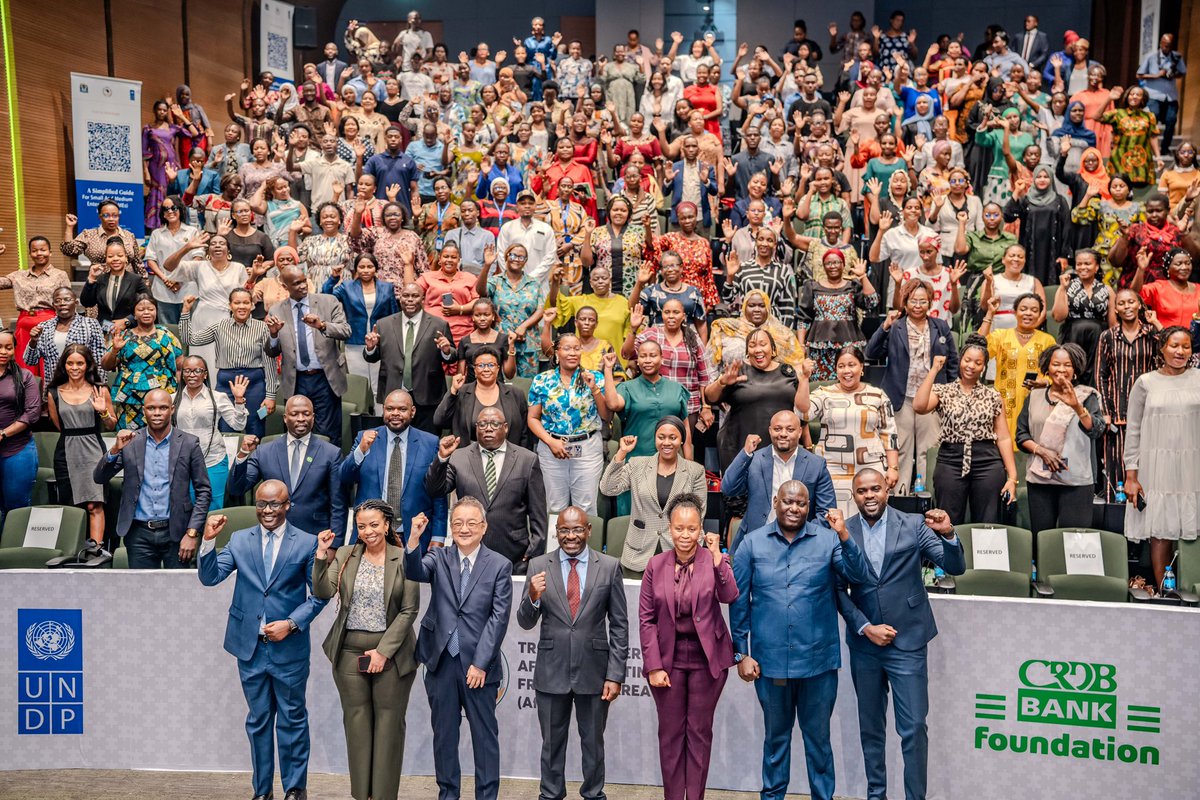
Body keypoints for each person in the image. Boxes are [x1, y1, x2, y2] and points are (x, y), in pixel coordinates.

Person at [730, 482, 870, 800]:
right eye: (788, 502)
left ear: (809, 507)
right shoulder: (751, 544)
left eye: (801, 504)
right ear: (776, 501)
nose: (794, 508)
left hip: (818, 665)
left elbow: (858, 576)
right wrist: (741, 654)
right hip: (771, 665)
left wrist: (844, 535)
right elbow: (739, 603)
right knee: (775, 742)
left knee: (819, 743)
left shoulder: (828, 540)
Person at [834, 470, 965, 800]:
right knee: (871, 730)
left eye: (875, 488)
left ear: (887, 490)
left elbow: (955, 567)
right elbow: (836, 590)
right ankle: (875, 795)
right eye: (862, 491)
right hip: (865, 645)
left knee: (914, 728)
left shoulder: (914, 525)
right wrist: (865, 627)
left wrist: (949, 534)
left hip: (908, 641)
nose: (869, 495)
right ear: (854, 495)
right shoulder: (842, 530)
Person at [197, 481, 328, 800]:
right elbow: (210, 577)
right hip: (250, 648)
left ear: (287, 505)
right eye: (261, 504)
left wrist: (291, 624)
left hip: (289, 648)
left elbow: (320, 595)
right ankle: (262, 792)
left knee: (292, 719)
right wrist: (208, 541)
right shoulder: (239, 540)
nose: (267, 511)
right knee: (258, 722)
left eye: (274, 504)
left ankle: (295, 789)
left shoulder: (306, 542)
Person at [404, 496, 513, 800]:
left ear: (484, 527)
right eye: (458, 523)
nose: (464, 529)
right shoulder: (439, 557)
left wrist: (480, 663)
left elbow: (498, 619)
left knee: (485, 738)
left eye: (471, 523)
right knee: (444, 738)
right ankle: (448, 794)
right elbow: (414, 572)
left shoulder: (500, 565)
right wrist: (414, 538)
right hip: (441, 662)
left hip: (479, 667)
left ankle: (486, 796)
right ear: (451, 527)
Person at [517, 505, 628, 800]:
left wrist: (615, 675)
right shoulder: (538, 565)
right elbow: (525, 622)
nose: (571, 536)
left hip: (595, 672)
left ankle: (593, 794)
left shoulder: (609, 566)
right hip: (551, 672)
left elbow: (619, 626)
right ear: (556, 533)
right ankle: (550, 794)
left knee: (593, 745)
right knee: (551, 745)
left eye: (577, 529)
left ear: (588, 530)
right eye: (564, 530)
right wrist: (532, 597)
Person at [312, 500, 420, 800]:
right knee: (356, 725)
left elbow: (409, 610)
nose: (368, 531)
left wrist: (383, 652)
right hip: (348, 651)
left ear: (386, 525)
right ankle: (362, 795)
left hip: (393, 653)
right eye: (361, 526)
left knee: (389, 726)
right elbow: (323, 590)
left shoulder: (404, 557)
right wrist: (321, 554)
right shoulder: (346, 554)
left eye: (374, 524)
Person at [639, 493, 737, 800]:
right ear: (669, 528)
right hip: (667, 661)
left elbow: (729, 595)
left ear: (700, 528)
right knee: (670, 736)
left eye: (692, 529)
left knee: (699, 733)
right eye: (679, 528)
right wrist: (654, 666)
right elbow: (646, 619)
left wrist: (718, 559)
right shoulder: (655, 565)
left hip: (707, 660)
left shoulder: (713, 560)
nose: (685, 535)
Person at [94, 389, 211, 568]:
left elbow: (203, 491)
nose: (157, 413)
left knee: (179, 585)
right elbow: (99, 477)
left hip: (177, 531)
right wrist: (115, 450)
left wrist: (192, 533)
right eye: (151, 408)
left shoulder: (189, 443)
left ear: (172, 410)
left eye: (163, 408)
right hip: (138, 533)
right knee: (141, 586)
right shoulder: (130, 441)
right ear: (144, 411)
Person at [1122, 326, 1200, 589]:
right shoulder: (1146, 382)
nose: (1180, 351)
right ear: (1162, 348)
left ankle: (1192, 591)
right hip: (1157, 466)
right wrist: (1131, 475)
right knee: (1161, 531)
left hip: (1193, 465)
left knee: (1193, 527)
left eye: (1186, 346)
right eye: (1174, 346)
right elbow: (1133, 430)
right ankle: (1165, 595)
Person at [425, 407, 547, 573]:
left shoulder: (527, 459)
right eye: (482, 424)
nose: (488, 428)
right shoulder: (459, 457)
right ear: (476, 428)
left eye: (494, 424)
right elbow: (435, 490)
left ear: (505, 427)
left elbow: (538, 512)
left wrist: (534, 551)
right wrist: (442, 458)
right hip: (468, 550)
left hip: (515, 553)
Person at [913, 337, 1019, 526]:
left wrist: (1012, 477)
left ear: (984, 367)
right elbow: (919, 406)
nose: (971, 366)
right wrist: (934, 370)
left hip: (987, 460)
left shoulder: (993, 395)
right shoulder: (944, 391)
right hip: (950, 459)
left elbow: (1003, 437)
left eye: (978, 362)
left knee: (988, 521)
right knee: (947, 520)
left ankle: (985, 548)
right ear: (960, 360)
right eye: (967, 360)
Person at [797, 346, 901, 514]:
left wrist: (893, 467)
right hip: (832, 469)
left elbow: (889, 433)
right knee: (835, 517)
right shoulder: (824, 393)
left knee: (871, 516)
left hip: (871, 469)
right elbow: (802, 413)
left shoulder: (878, 395)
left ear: (861, 367)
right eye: (841, 366)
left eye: (852, 365)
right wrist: (804, 379)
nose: (847, 370)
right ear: (836, 370)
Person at [230, 396, 347, 544]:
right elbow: (236, 489)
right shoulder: (264, 451)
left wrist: (334, 546)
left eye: (306, 414)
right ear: (285, 418)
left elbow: (338, 505)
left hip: (315, 537)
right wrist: (243, 454)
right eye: (294, 414)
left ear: (313, 417)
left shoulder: (331, 453)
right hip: (273, 536)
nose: (301, 419)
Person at [342, 390, 447, 552]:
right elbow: (344, 477)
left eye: (402, 409)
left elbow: (438, 492)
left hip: (414, 535)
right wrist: (360, 451)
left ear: (412, 411)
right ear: (383, 410)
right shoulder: (365, 438)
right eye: (390, 409)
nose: (395, 413)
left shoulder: (430, 443)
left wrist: (438, 536)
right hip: (371, 535)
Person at [1015, 344, 1104, 533]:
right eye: (1056, 364)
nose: (1061, 369)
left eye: (1067, 365)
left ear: (1076, 369)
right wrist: (1041, 451)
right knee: (1042, 538)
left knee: (1074, 540)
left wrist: (1077, 407)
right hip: (1040, 480)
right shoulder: (1034, 396)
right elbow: (1021, 434)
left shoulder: (1087, 396)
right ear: (1047, 367)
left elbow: (1097, 430)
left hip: (1076, 481)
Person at [600, 417, 707, 574]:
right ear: (655, 439)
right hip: (638, 553)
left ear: (682, 441)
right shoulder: (637, 465)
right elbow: (608, 488)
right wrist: (622, 452)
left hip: (679, 552)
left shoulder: (695, 471)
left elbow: (698, 515)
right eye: (661, 437)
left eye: (673, 438)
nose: (666, 443)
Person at [264, 266, 352, 447]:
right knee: (297, 431)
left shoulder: (328, 301)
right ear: (285, 286)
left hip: (325, 378)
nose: (303, 286)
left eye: (304, 280)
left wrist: (322, 326)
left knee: (328, 433)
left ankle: (330, 464)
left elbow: (346, 331)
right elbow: (272, 352)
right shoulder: (276, 310)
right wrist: (273, 334)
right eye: (297, 283)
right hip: (295, 380)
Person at [527, 333, 611, 515]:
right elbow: (532, 419)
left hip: (587, 448)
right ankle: (554, 536)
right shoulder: (542, 380)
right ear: (557, 353)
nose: (572, 353)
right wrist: (551, 442)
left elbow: (606, 416)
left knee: (586, 508)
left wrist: (594, 388)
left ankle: (587, 536)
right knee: (554, 507)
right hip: (551, 449)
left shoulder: (595, 377)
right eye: (567, 348)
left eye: (576, 348)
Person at [181, 288, 277, 437]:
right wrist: (186, 311)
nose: (241, 306)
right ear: (230, 305)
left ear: (252, 305)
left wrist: (270, 396)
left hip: (255, 385)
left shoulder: (262, 328)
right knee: (225, 428)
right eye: (237, 303)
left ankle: (255, 453)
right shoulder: (219, 326)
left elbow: (270, 363)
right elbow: (189, 339)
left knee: (256, 425)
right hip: (226, 384)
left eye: (246, 302)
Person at [724, 411, 837, 537]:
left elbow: (826, 511)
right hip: (757, 539)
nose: (783, 434)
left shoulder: (816, 465)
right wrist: (745, 453)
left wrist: (806, 538)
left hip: (799, 540)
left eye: (790, 429)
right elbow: (728, 488)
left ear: (800, 432)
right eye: (777, 429)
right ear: (770, 431)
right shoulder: (754, 459)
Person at [704, 329, 801, 472]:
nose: (758, 349)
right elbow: (710, 398)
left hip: (780, 447)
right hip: (738, 447)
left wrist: (807, 443)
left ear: (773, 349)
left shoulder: (787, 373)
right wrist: (721, 382)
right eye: (752, 345)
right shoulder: (737, 371)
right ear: (747, 351)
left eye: (763, 344)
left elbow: (801, 410)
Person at [363, 282, 456, 432]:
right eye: (406, 295)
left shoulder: (439, 325)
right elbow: (371, 358)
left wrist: (446, 351)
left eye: (415, 296)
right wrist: (370, 348)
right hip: (394, 392)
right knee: (395, 438)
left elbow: (452, 357)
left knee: (426, 439)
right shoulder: (383, 324)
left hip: (427, 394)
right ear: (400, 298)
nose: (410, 299)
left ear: (423, 299)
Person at [1095, 289, 1159, 501]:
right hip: (1117, 413)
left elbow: (1167, 354)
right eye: (1121, 303)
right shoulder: (1107, 337)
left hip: (1148, 410)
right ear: (1115, 309)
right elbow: (1101, 375)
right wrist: (1105, 411)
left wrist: (1155, 323)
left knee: (1147, 463)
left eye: (1131, 302)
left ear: (1139, 304)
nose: (1127, 306)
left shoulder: (1151, 333)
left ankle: (1147, 509)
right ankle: (1117, 511)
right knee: (1117, 464)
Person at [46, 344, 113, 546]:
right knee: (71, 505)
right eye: (70, 363)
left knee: (94, 504)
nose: (74, 368)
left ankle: (96, 551)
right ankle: (73, 550)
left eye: (80, 363)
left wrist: (103, 412)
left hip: (93, 450)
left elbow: (112, 424)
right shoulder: (53, 392)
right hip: (66, 452)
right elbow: (58, 425)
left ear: (87, 365)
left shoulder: (99, 390)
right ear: (64, 365)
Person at [163, 230, 252, 378]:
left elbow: (246, 295)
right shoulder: (199, 267)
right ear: (208, 250)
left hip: (229, 319)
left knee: (227, 359)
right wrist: (187, 247)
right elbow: (168, 266)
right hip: (203, 319)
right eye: (213, 243)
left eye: (222, 243)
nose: (217, 246)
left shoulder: (238, 268)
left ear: (228, 250)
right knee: (203, 360)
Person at [977, 291, 1057, 440]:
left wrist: (1044, 382)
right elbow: (978, 347)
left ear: (1040, 314)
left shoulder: (1047, 340)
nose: (1028, 313)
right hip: (1004, 404)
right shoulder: (1001, 335)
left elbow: (1056, 374)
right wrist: (990, 313)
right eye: (1023, 309)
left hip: (1034, 403)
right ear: (1015, 312)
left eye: (1034, 310)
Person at [175, 355, 247, 510]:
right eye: (187, 371)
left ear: (205, 374)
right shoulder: (172, 399)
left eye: (197, 371)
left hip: (213, 459)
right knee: (187, 506)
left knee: (213, 507)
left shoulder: (217, 397)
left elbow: (238, 424)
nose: (192, 375)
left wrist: (239, 400)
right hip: (183, 462)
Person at [100, 295, 183, 429]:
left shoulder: (166, 335)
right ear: (134, 314)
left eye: (150, 309)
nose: (146, 312)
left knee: (160, 433)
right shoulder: (124, 336)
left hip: (160, 395)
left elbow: (180, 365)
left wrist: (178, 393)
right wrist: (114, 350)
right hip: (129, 396)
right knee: (129, 436)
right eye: (141, 309)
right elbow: (106, 365)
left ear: (156, 312)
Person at [324, 253, 399, 400]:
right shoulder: (347, 287)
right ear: (356, 269)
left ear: (376, 268)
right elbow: (327, 297)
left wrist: (394, 340)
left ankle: (380, 413)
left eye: (370, 266)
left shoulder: (387, 287)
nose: (366, 270)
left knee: (379, 386)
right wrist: (333, 278)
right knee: (360, 385)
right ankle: (360, 415)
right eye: (362, 267)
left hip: (380, 342)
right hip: (355, 342)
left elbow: (394, 315)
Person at [796, 249, 878, 380]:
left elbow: (872, 302)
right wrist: (801, 346)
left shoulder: (853, 285)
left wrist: (863, 277)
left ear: (843, 264)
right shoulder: (812, 286)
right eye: (828, 263)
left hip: (848, 346)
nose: (832, 266)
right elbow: (803, 318)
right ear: (823, 266)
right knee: (821, 385)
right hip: (820, 348)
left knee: (847, 381)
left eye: (836, 262)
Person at [0, 236, 72, 376]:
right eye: (34, 250)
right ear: (30, 253)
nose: (39, 253)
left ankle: (49, 391)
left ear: (50, 252)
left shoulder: (60, 275)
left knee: (50, 368)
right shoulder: (18, 275)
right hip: (24, 326)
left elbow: (68, 302)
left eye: (43, 250)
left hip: (51, 325)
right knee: (25, 370)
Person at [434, 347, 530, 447]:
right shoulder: (461, 392)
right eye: (481, 365)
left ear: (498, 368)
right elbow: (439, 421)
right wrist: (453, 391)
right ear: (474, 370)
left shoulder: (516, 394)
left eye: (491, 365)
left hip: (508, 453)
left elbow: (524, 434)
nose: (486, 369)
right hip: (468, 453)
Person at [476, 243, 546, 379]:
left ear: (525, 261)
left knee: (526, 384)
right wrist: (487, 265)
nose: (516, 259)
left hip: (528, 342)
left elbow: (540, 310)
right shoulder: (496, 281)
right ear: (506, 257)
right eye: (513, 255)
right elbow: (481, 291)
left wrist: (524, 326)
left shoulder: (534, 283)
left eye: (521, 257)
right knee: (500, 382)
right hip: (501, 341)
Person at [24, 287, 107, 389]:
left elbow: (100, 361)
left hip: (84, 387)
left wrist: (99, 387)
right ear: (53, 305)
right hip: (54, 387)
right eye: (58, 301)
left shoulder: (90, 324)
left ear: (76, 303)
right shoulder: (44, 327)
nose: (62, 303)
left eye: (67, 299)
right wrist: (33, 342)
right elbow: (30, 361)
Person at [0, 329, 41, 521]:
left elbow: (32, 414)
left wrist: (3, 433)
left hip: (17, 450)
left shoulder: (25, 376)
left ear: (14, 349)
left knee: (16, 509)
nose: (3, 351)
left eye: (8, 347)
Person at [413, 240, 479, 343]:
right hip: (432, 331)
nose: (449, 260)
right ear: (439, 259)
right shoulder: (427, 277)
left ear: (459, 260)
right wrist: (408, 264)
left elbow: (477, 302)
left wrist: (460, 309)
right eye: (446, 256)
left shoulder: (470, 278)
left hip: (463, 332)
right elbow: (411, 292)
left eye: (453, 257)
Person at [1137, 33, 1186, 151]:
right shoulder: (1151, 57)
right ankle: (1148, 146)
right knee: (1153, 117)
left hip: (1170, 95)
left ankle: (1164, 148)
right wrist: (1157, 75)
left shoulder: (1176, 57)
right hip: (1154, 94)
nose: (1167, 48)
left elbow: (1182, 72)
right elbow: (1139, 75)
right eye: (1165, 45)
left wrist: (1173, 75)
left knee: (1171, 120)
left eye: (1169, 46)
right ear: (1161, 44)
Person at [1132, 247, 1199, 329]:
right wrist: (1141, 269)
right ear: (1168, 268)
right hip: (1164, 335)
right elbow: (1134, 294)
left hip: (1194, 337)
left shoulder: (1198, 289)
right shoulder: (1158, 288)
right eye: (1178, 264)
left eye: (1188, 263)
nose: (1184, 267)